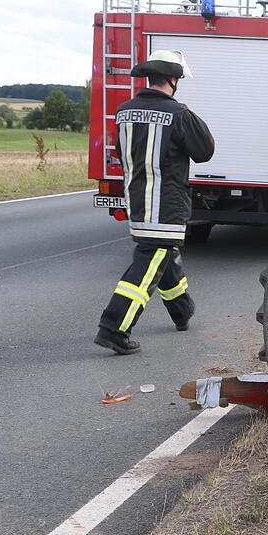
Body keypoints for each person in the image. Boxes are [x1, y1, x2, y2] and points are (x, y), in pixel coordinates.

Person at [95, 49, 215, 355]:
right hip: (166, 203)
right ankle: (114, 327)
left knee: (161, 255)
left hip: (137, 201)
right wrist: (185, 113)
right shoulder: (178, 114)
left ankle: (182, 311)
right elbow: (204, 151)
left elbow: (124, 153)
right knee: (149, 261)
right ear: (173, 79)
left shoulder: (124, 111)